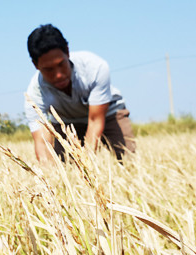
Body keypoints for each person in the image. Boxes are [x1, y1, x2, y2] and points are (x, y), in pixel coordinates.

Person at [24, 24, 136, 163]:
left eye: (61, 64)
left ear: (67, 51)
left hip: (108, 114)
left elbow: (95, 121)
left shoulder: (95, 68)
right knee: (62, 165)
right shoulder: (35, 93)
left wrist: (86, 168)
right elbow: (41, 142)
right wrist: (49, 176)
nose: (58, 75)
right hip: (67, 122)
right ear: (35, 64)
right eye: (49, 69)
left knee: (128, 161)